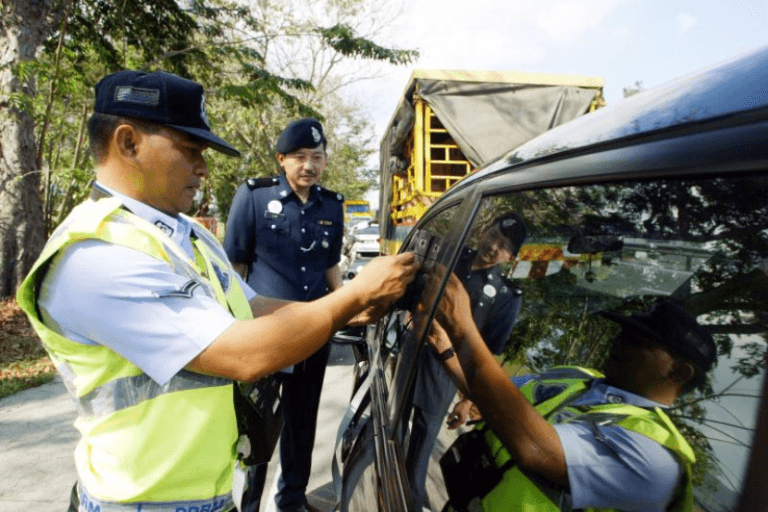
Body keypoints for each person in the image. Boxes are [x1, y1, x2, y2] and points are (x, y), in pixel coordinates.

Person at [15, 70, 419, 512]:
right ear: (128, 142)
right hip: (139, 503)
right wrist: (353, 297)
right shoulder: (94, 256)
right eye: (190, 151)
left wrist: (347, 310)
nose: (204, 169)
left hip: (207, 493)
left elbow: (250, 305)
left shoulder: (184, 233)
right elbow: (243, 355)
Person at [428, 291, 716, 512]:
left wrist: (462, 325)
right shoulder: (577, 377)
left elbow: (538, 451)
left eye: (637, 340)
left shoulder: (656, 458)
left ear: (679, 371)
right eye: (622, 332)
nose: (617, 341)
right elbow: (492, 397)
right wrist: (445, 348)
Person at [223, 117, 344, 512]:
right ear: (282, 159)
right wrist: (234, 328)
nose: (309, 165)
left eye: (317, 157)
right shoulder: (254, 197)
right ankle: (248, 505)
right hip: (265, 335)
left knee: (302, 426)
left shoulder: (331, 205)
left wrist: (343, 309)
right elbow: (235, 268)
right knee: (257, 429)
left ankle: (290, 501)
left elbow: (330, 268)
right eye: (299, 157)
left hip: (312, 335)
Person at [406, 212, 527, 511]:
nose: (494, 247)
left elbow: (488, 354)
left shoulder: (506, 296)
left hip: (444, 371)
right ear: (485, 230)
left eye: (504, 247)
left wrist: (468, 400)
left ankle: (409, 502)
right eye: (494, 237)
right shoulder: (450, 255)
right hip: (410, 354)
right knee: (391, 426)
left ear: (510, 257)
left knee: (418, 455)